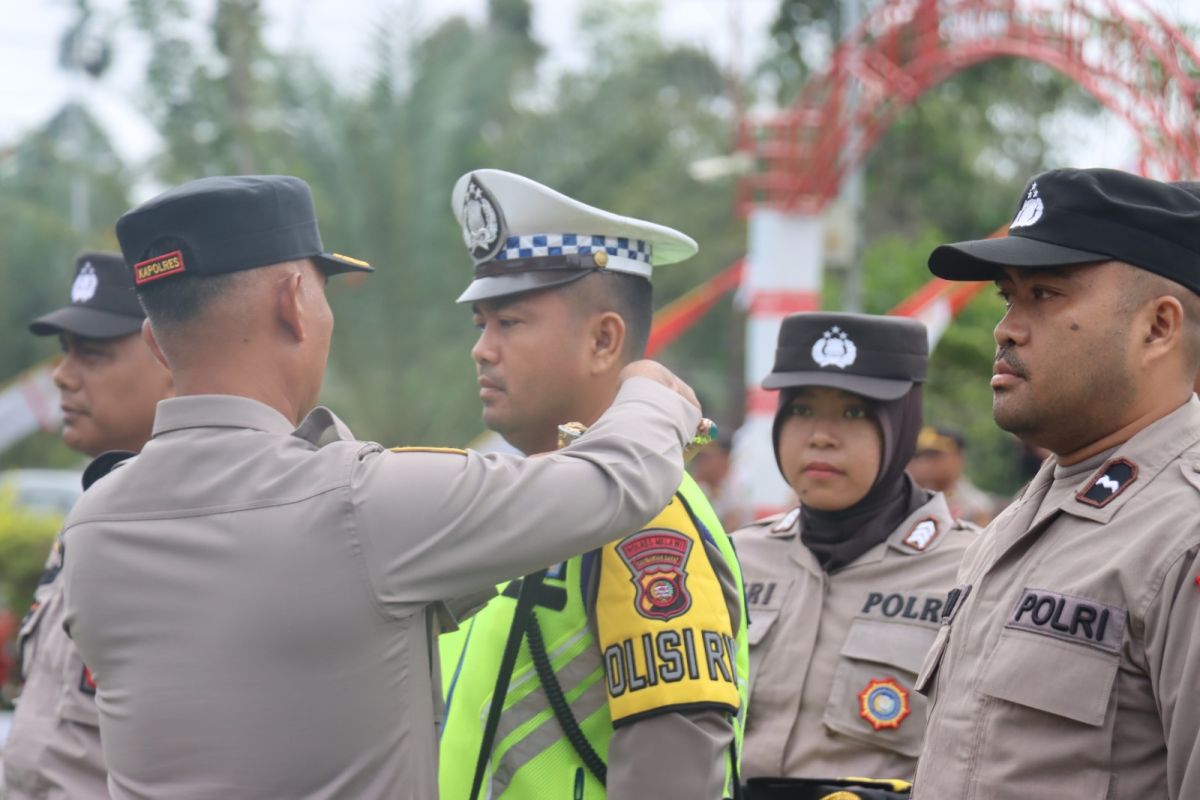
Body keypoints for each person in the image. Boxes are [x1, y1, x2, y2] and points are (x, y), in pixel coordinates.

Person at [59, 174, 704, 800]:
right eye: (322, 289)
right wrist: (650, 389)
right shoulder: (360, 505)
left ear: (155, 343)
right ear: (292, 304)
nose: (483, 348)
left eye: (507, 322)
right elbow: (614, 481)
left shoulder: (91, 528)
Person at [438, 169, 748, 800]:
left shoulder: (647, 517)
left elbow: (673, 775)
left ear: (604, 339)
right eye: (480, 325)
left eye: (511, 322)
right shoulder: (520, 495)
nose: (483, 349)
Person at [913, 167, 1200, 799]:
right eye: (1007, 296)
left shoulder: (1182, 532)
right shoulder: (1020, 521)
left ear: (1157, 327)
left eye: (1045, 294)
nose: (1006, 328)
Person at [730, 312, 976, 795]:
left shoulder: (973, 571)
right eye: (801, 410)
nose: (821, 435)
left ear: (902, 424)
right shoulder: (732, 558)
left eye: (854, 412)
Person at [4, 251, 173, 800]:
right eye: (64, 351)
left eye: (93, 354)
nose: (61, 374)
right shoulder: (99, 506)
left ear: (172, 358)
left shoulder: (196, 529)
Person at [907, 425, 997, 525]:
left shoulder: (977, 507)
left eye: (935, 455)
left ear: (959, 458)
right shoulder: (912, 499)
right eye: (922, 455)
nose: (926, 461)